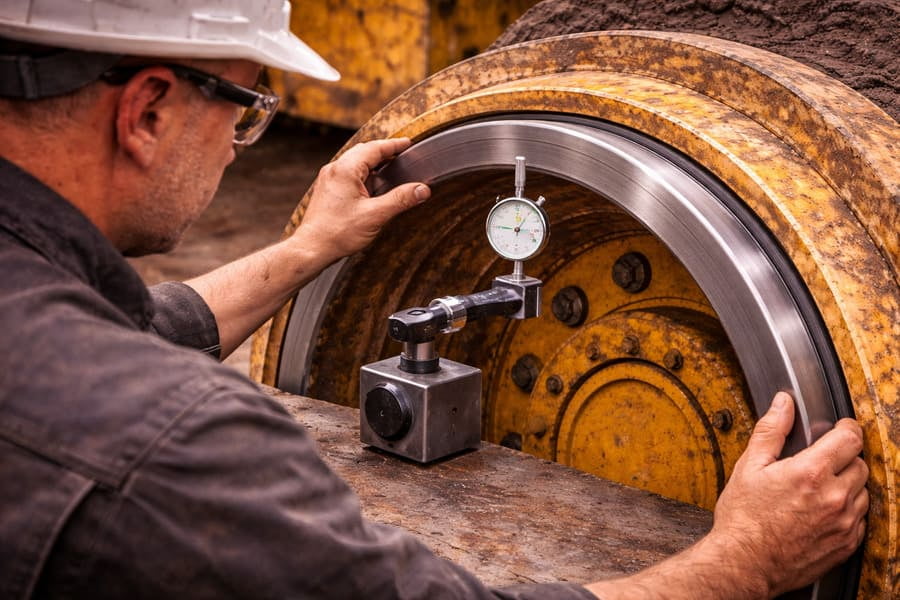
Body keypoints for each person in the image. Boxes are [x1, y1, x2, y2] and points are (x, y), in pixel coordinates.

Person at [0, 2, 868, 598]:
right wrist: (743, 565)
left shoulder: (40, 315)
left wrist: (313, 248)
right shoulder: (172, 446)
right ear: (147, 110)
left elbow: (138, 329)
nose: (238, 147)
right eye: (247, 109)